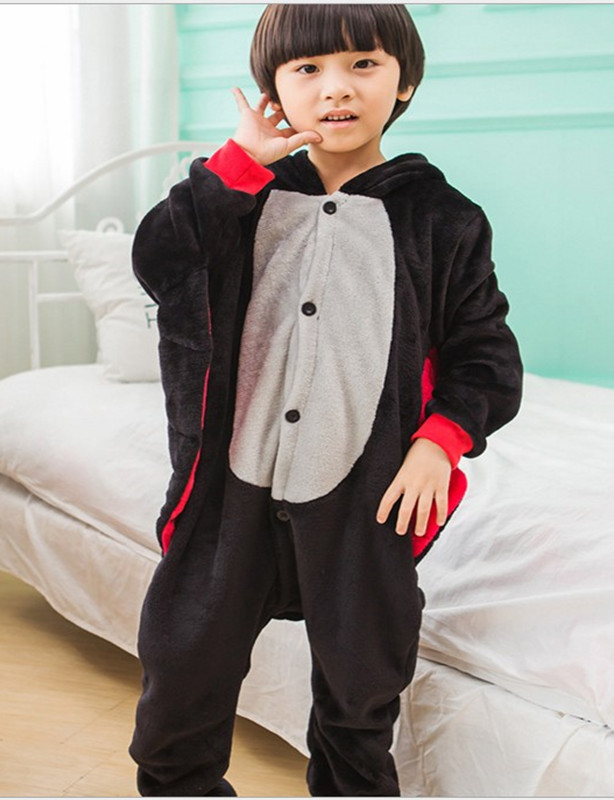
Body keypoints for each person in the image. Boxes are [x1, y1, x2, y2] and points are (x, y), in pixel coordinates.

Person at [128, 4, 523, 796]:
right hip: (227, 492)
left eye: (362, 65)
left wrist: (439, 441)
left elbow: (484, 352)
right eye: (307, 69)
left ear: (403, 81)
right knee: (182, 676)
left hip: (365, 498)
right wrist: (237, 164)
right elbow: (161, 260)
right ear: (273, 89)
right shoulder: (240, 195)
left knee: (361, 689)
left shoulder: (442, 218)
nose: (336, 88)